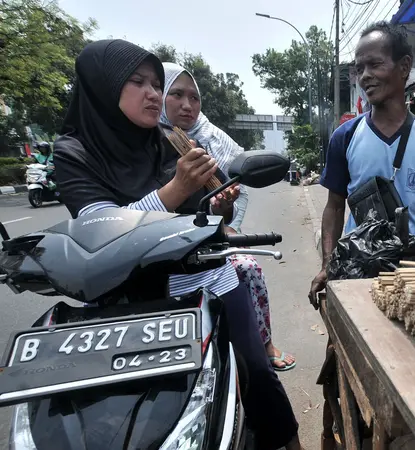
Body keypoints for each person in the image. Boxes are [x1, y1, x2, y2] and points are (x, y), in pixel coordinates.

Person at [53, 39, 301, 450]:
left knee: (257, 370)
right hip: (125, 300)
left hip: (208, 280)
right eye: (139, 82)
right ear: (103, 87)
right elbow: (101, 231)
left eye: (156, 84)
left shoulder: (173, 141)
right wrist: (176, 189)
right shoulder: (75, 153)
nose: (154, 94)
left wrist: (218, 206)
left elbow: (206, 219)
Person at [160, 62, 296, 371]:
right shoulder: (143, 140)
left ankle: (263, 346)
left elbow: (230, 193)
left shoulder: (206, 141)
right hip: (150, 254)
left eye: (194, 97)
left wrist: (227, 219)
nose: (187, 105)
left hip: (200, 246)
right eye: (176, 95)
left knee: (248, 268)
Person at [308, 21, 415, 304]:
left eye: (375, 64)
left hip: (412, 270)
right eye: (359, 69)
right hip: (357, 266)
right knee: (345, 343)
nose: (365, 76)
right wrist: (328, 265)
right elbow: (335, 206)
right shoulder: (345, 137)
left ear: (404, 66)